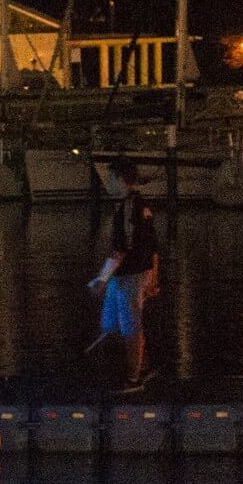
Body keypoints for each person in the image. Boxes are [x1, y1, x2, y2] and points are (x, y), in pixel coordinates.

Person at [87, 161, 161, 391]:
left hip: (131, 273)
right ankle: (142, 366)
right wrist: (154, 275)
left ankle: (134, 378)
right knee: (113, 322)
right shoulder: (141, 205)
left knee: (130, 326)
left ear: (120, 179)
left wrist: (102, 278)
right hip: (138, 271)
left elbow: (121, 247)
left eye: (110, 178)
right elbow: (153, 244)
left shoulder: (127, 207)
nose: (108, 183)